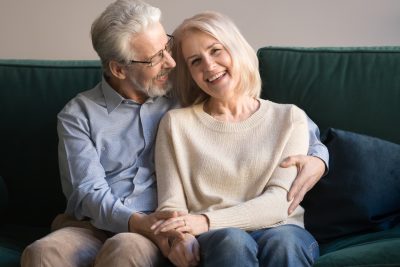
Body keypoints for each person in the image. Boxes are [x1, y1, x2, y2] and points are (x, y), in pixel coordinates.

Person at [21, 1, 327, 266]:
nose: (171, 61)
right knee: (41, 253)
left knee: (124, 248)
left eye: (166, 46)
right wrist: (145, 223)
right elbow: (87, 192)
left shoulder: (185, 94)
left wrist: (319, 157)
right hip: (100, 224)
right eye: (156, 58)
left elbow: (271, 119)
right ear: (118, 69)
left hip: (157, 227)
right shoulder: (79, 114)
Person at [152, 11, 320, 267]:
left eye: (216, 50)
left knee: (283, 243)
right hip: (217, 239)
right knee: (232, 241)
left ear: (236, 48)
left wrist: (206, 221)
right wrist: (180, 236)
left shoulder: (289, 119)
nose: (208, 65)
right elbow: (171, 205)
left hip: (281, 229)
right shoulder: (176, 124)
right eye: (196, 61)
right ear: (191, 74)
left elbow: (280, 203)